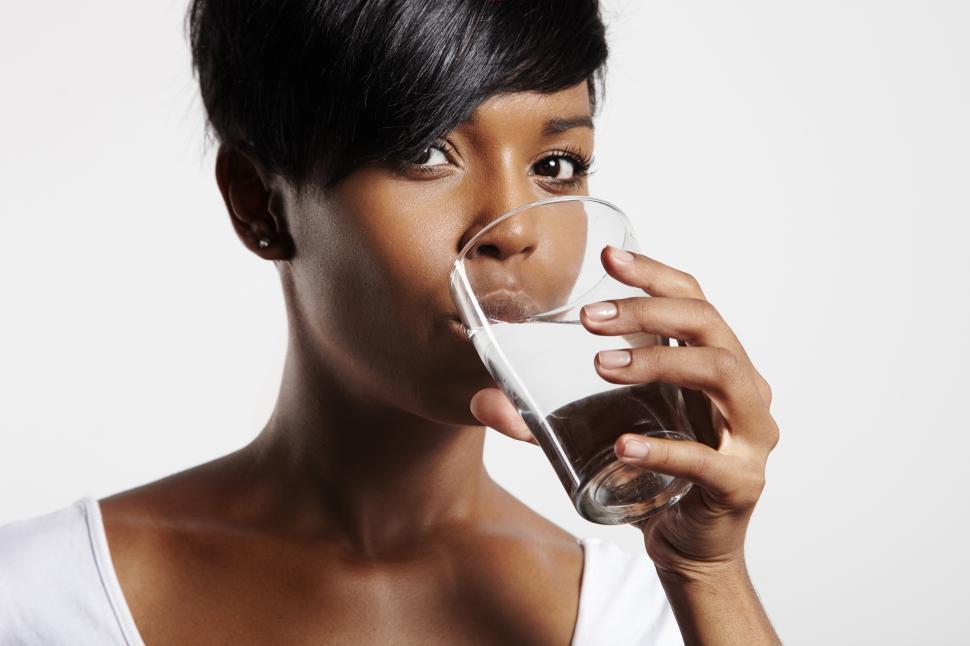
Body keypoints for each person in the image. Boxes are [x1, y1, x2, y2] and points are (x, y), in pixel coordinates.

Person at [0, 1, 781, 643]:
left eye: (556, 165)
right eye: (427, 151)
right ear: (260, 203)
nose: (516, 225)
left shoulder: (644, 616)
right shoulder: (41, 598)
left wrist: (708, 574)